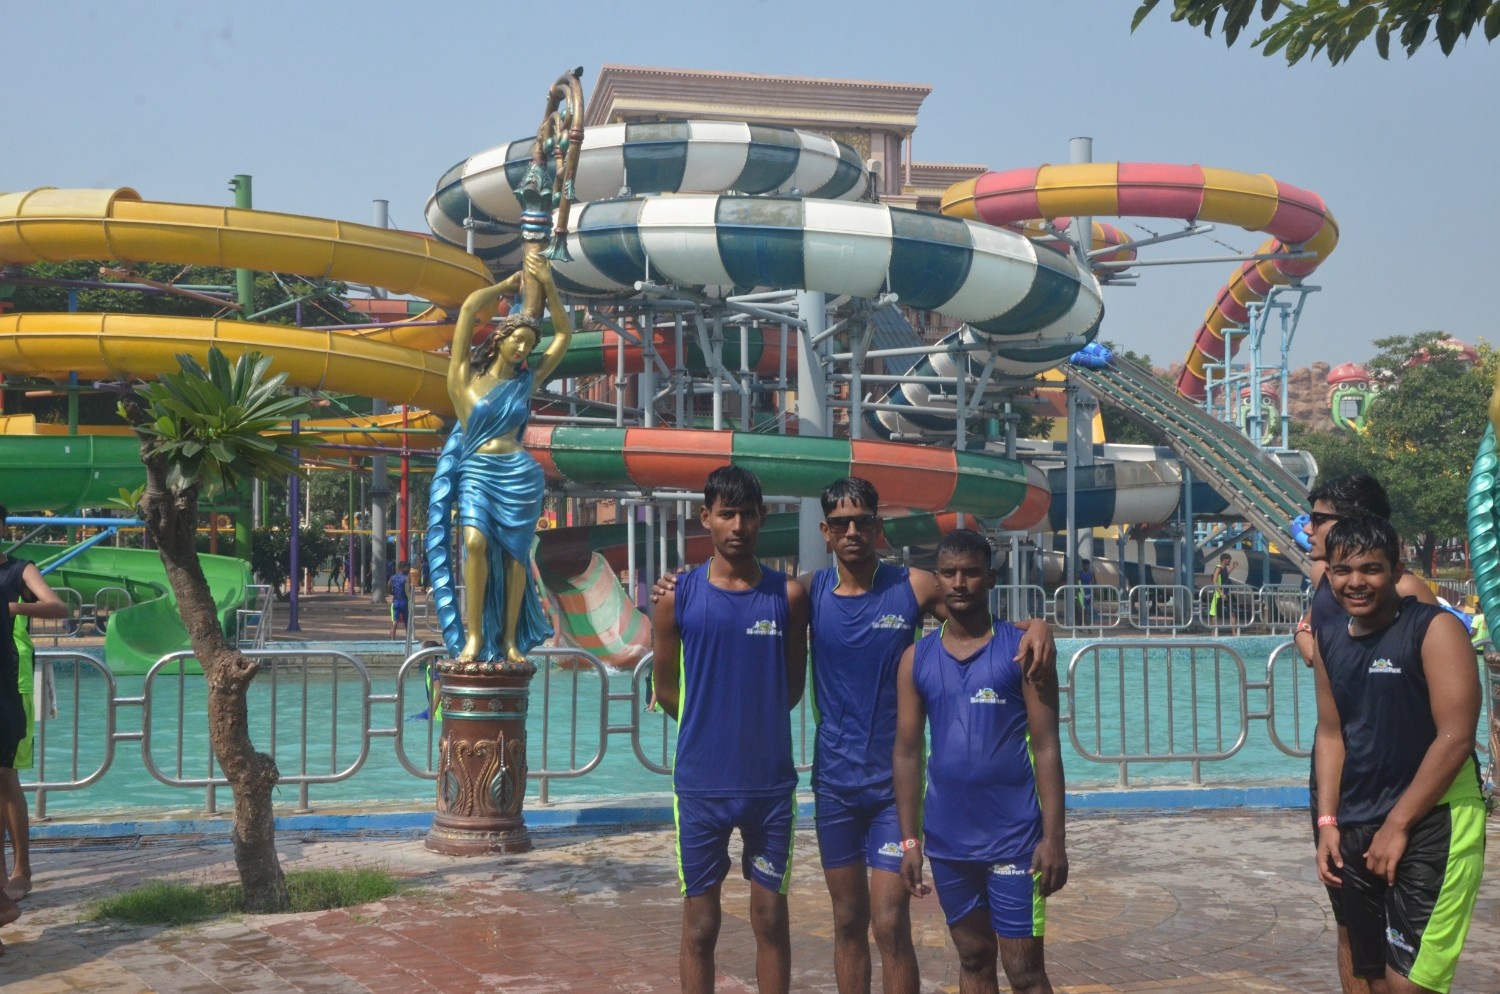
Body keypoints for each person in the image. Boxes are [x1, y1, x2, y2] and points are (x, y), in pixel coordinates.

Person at [653, 477, 1056, 994]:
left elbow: (972, 611)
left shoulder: (911, 586)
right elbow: (701, 676)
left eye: (862, 522)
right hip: (835, 787)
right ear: (825, 532)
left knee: (888, 922)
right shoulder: (808, 593)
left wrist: (1036, 626)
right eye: (841, 524)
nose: (852, 532)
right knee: (846, 921)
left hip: (890, 789)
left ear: (877, 527)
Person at [1309, 516, 1485, 994]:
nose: (1356, 582)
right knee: (1374, 979)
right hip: (1360, 821)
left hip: (1435, 820)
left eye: (1371, 568)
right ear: (1329, 575)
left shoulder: (1434, 629)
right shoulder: (1329, 638)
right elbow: (1332, 735)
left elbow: (1456, 737)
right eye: (1343, 570)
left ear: (1397, 571)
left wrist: (1399, 824)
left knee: (1410, 985)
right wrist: (1328, 822)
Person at [651, 465, 809, 994]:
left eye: (747, 514)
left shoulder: (787, 597)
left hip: (769, 787)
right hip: (701, 786)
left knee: (771, 920)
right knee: (700, 926)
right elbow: (666, 690)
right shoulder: (676, 598)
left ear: (763, 518)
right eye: (727, 514)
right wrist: (711, 723)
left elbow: (791, 688)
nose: (737, 525)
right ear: (706, 518)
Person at [893, 530, 1067, 994]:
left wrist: (1054, 838)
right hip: (949, 842)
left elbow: (1047, 746)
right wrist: (909, 840)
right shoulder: (915, 659)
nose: (959, 583)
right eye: (949, 573)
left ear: (990, 578)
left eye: (971, 572)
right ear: (936, 580)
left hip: (1015, 841)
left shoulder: (1023, 650)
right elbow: (907, 752)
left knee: (1025, 972)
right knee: (972, 959)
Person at [1290, 475, 1439, 994]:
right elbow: (1316, 644)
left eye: (1319, 518)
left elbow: (1447, 722)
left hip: (1400, 788)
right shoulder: (1326, 580)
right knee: (1350, 923)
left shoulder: (1410, 597)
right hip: (1342, 776)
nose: (1309, 527)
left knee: (1404, 956)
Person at [426, 247, 572, 663]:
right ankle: (474, 638)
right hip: (477, 470)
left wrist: (549, 284)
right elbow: (469, 309)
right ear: (499, 339)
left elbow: (564, 335)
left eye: (528, 342)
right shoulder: (463, 381)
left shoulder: (526, 383)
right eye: (517, 339)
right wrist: (505, 286)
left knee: (515, 555)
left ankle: (509, 640)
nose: (523, 347)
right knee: (474, 543)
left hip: (519, 474)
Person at [0, 505, 68, 955]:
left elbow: (58, 607)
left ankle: (19, 872)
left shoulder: (17, 571)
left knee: (5, 780)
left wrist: (14, 606)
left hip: (8, 692)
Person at [1208, 552, 1234, 624]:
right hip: (1218, 594)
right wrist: (1221, 593)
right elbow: (1214, 581)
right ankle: (1214, 630)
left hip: (1226, 593)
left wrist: (1233, 567)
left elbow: (1225, 575)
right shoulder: (1218, 568)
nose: (1230, 561)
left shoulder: (1224, 568)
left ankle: (1234, 630)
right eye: (1229, 560)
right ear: (1224, 560)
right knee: (1215, 613)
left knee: (1233, 612)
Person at [389, 560, 410, 640]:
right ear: (403, 568)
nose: (408, 570)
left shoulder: (392, 577)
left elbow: (389, 587)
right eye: (408, 568)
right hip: (404, 601)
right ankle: (408, 638)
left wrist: (392, 593)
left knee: (395, 621)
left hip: (395, 601)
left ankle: (392, 638)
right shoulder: (407, 577)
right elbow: (409, 589)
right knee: (406, 621)